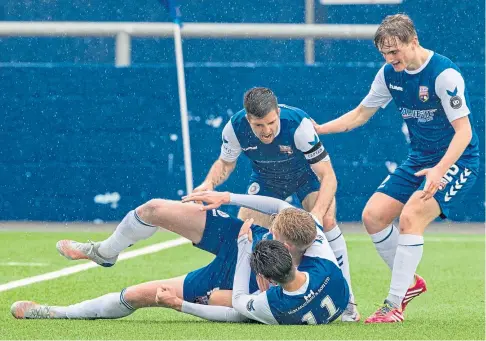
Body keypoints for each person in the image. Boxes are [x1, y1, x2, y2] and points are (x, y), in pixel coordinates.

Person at [312, 14, 479, 324]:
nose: (390, 59)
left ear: (413, 42)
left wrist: (440, 170)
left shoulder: (444, 75)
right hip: (419, 158)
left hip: (457, 160)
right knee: (372, 216)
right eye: (385, 54)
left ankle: (393, 305)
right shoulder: (390, 74)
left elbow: (464, 132)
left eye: (395, 51)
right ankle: (410, 283)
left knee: (412, 215)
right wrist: (321, 129)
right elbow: (360, 114)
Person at [11, 191, 347, 324]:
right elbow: (279, 207)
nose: (272, 232)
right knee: (154, 208)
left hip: (239, 274)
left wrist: (183, 304)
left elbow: (237, 307)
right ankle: (104, 253)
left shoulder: (275, 302)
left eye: (276, 236)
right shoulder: (315, 241)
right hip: (241, 240)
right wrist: (226, 196)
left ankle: (57, 313)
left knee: (138, 295)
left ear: (289, 249)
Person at [192, 87, 359, 321]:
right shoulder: (234, 128)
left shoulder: (299, 126)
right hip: (266, 180)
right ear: (248, 118)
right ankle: (251, 299)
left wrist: (317, 217)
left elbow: (328, 176)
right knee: (243, 233)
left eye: (271, 122)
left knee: (328, 221)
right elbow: (225, 164)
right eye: (259, 125)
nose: (267, 130)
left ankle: (349, 301)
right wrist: (208, 183)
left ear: (278, 112)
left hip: (305, 177)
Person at [155, 221, 349, 325]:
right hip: (335, 303)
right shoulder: (326, 267)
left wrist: (244, 247)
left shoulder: (272, 303)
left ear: (269, 281)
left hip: (282, 306)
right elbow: (287, 209)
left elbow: (236, 308)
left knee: (216, 298)